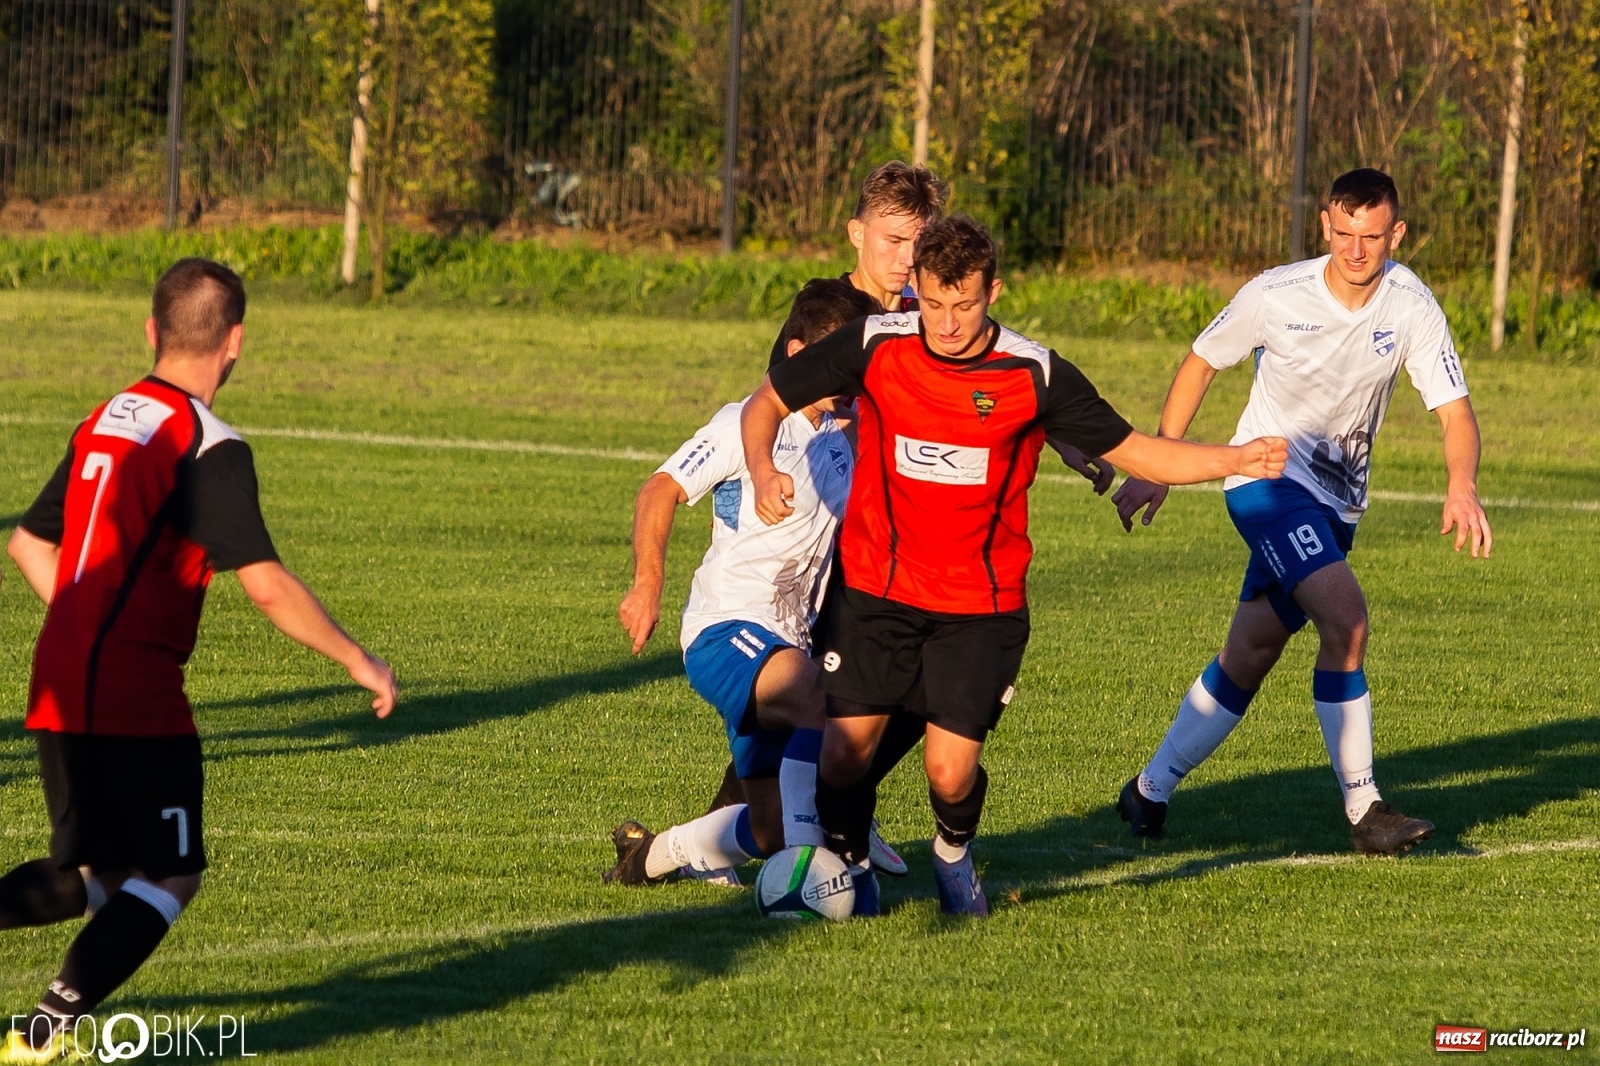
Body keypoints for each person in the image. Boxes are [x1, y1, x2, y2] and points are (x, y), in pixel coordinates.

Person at [740, 215, 1287, 916]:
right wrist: (763, 469)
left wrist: (1235, 458)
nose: (946, 323)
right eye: (933, 303)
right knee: (844, 754)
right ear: (916, 288)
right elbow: (768, 400)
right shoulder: (875, 344)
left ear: (993, 291)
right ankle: (850, 870)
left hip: (979, 606)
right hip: (876, 592)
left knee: (949, 772)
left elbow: (1138, 451)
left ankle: (952, 853)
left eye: (964, 304)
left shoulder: (1034, 373)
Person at [1, 258, 396, 1063]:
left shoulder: (107, 418)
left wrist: (88, 622)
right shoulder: (205, 443)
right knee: (170, 874)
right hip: (133, 695)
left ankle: (45, 1029)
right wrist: (361, 661)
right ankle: (42, 1034)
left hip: (61, 679)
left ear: (152, 331)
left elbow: (28, 543)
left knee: (103, 874)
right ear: (235, 342)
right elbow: (267, 585)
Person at [1110, 168, 1490, 856]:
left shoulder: (1411, 304)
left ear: (1396, 234)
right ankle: (1366, 809)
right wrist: (1161, 463)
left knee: (1250, 653)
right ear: (1324, 225)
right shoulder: (1275, 293)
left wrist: (1461, 484)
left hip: (1336, 504)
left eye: (1371, 237)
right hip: (1264, 481)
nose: (1355, 250)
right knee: (1347, 619)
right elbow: (1201, 362)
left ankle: (1148, 790)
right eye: (1343, 233)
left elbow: (1455, 413)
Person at [605, 278, 882, 887]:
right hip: (725, 630)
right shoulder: (743, 424)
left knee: (766, 828)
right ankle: (813, 870)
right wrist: (647, 584)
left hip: (787, 639)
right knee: (819, 697)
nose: (850, 374)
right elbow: (659, 489)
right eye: (839, 359)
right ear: (798, 355)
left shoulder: (844, 433)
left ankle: (649, 858)